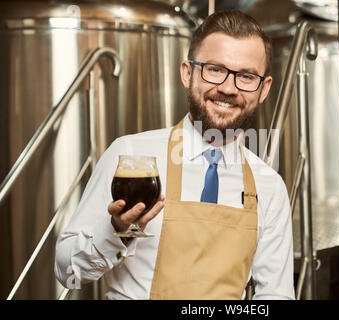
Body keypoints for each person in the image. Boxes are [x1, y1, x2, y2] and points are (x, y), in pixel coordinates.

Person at [55, 10, 295, 300]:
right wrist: (116, 231)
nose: (228, 88)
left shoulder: (269, 186)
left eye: (245, 76)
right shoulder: (131, 157)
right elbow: (66, 269)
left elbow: (276, 296)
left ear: (264, 89)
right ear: (187, 72)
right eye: (215, 69)